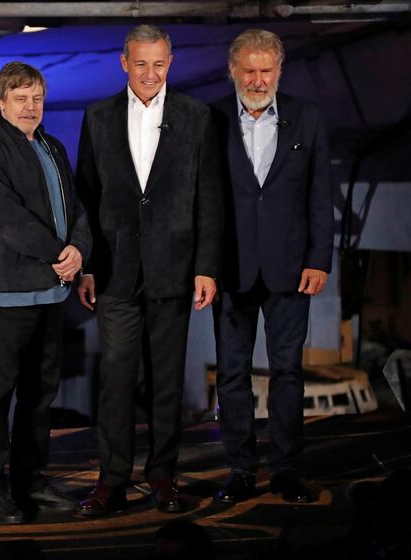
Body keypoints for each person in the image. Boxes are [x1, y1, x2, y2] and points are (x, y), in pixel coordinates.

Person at [75, 24, 223, 515]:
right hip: (115, 272)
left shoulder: (197, 116)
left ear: (171, 63)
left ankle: (163, 477)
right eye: (141, 64)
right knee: (116, 380)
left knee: (166, 382)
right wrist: (89, 267)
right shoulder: (97, 118)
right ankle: (111, 481)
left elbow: (209, 196)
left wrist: (205, 267)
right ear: (124, 63)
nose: (150, 74)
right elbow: (86, 198)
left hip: (174, 270)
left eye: (159, 64)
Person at [0, 62, 92, 523]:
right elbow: (5, 218)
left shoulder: (53, 146)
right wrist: (61, 253)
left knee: (41, 395)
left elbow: (77, 206)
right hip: (8, 297)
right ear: (2, 103)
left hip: (51, 293)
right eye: (20, 98)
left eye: (36, 97)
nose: (30, 107)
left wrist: (79, 248)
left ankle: (31, 481)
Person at [213, 29, 333, 504]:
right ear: (233, 71)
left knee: (288, 372)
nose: (258, 80)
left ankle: (285, 468)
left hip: (291, 269)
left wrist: (319, 259)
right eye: (250, 70)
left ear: (279, 72)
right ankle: (241, 470)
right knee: (232, 375)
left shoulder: (309, 118)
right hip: (231, 268)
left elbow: (320, 196)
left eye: (267, 71)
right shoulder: (212, 119)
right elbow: (205, 200)